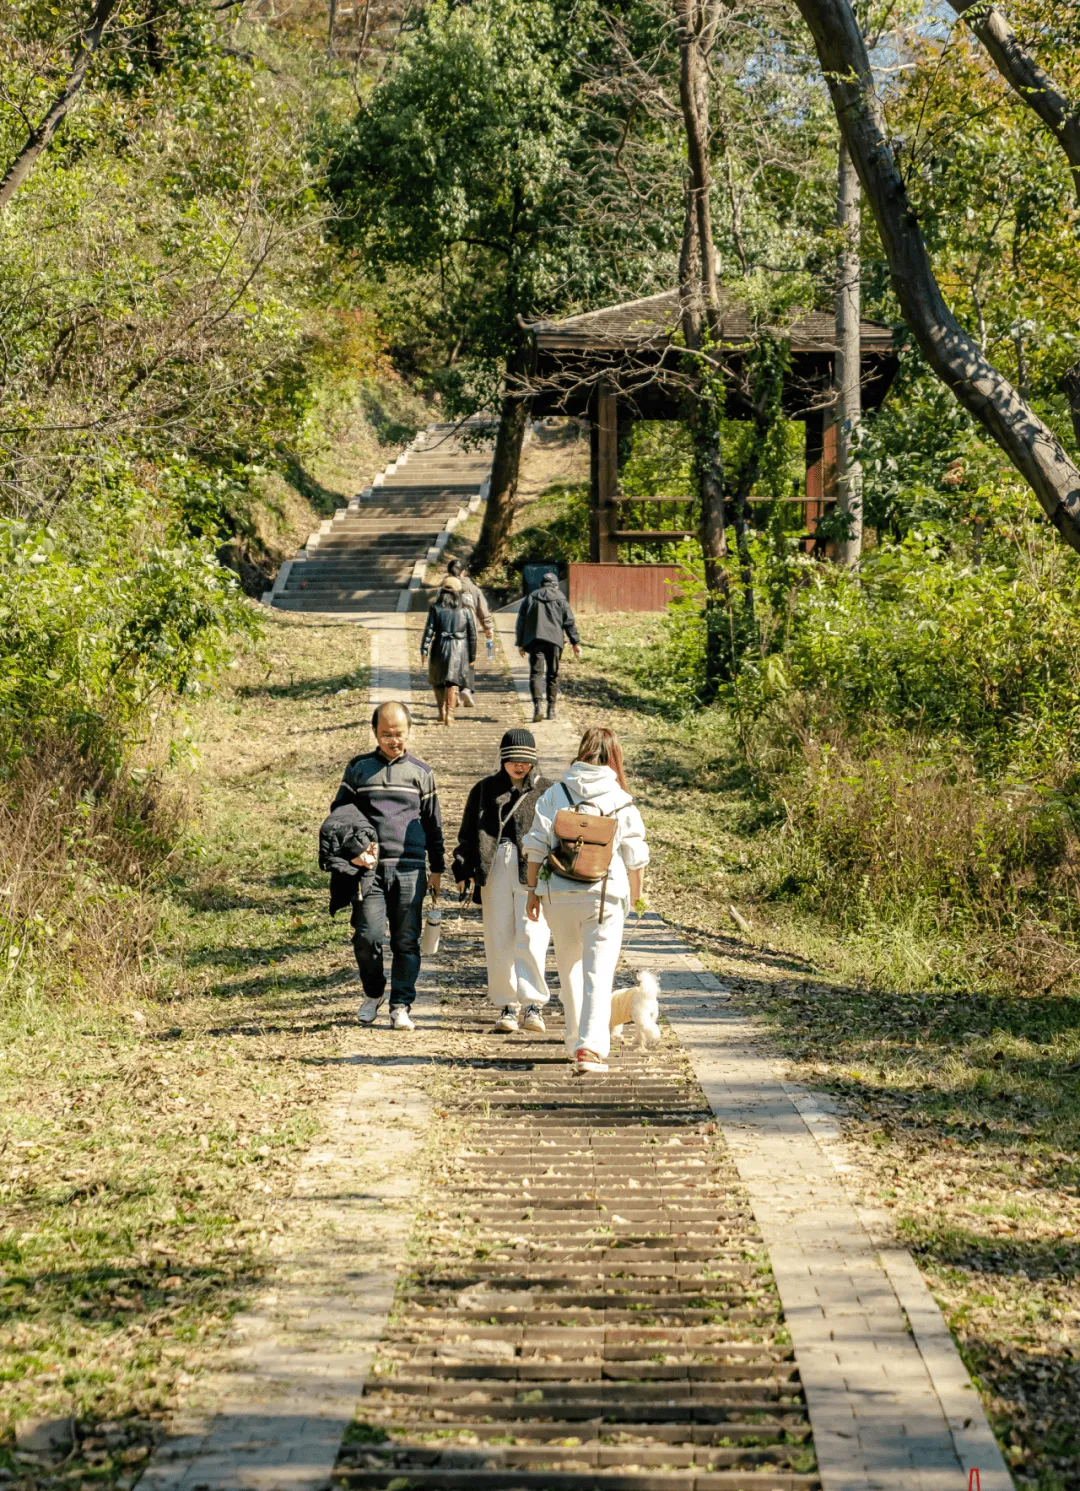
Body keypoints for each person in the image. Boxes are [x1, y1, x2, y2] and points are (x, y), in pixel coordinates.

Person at [523, 726, 648, 1075]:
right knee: (598, 971)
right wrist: (636, 898)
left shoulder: (555, 793)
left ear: (581, 752)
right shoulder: (619, 798)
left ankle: (573, 1039)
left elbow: (535, 845)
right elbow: (635, 855)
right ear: (614, 757)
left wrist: (532, 892)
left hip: (558, 895)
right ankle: (589, 1049)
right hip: (604, 897)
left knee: (570, 969)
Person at [331, 701, 445, 1031]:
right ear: (374, 733)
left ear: (409, 732)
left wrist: (436, 868)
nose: (393, 741)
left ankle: (401, 1005)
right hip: (369, 871)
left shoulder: (421, 774)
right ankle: (373, 993)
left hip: (410, 868)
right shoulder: (358, 769)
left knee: (406, 940)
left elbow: (433, 824)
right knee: (366, 937)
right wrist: (353, 852)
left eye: (399, 734)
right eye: (386, 735)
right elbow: (339, 816)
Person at [453, 729, 554, 1036]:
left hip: (535, 869)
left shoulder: (548, 790)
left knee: (533, 935)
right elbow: (468, 832)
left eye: (524, 760)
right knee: (498, 938)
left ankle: (534, 1004)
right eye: (512, 760)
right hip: (495, 863)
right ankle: (507, 1006)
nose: (518, 766)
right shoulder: (484, 789)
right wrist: (463, 868)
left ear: (533, 761)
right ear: (503, 759)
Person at [515, 570, 581, 724]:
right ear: (555, 585)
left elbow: (521, 621)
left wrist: (521, 643)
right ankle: (551, 709)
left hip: (535, 640)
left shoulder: (531, 597)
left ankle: (537, 706)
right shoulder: (561, 598)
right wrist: (575, 642)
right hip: (554, 641)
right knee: (552, 675)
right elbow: (569, 622)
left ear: (541, 585)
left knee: (536, 674)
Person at [421, 575, 477, 726]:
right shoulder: (465, 610)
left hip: (440, 645)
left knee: (437, 681)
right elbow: (472, 634)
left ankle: (441, 712)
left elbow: (429, 629)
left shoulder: (436, 607)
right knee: (453, 681)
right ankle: (450, 714)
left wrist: (424, 649)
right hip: (459, 648)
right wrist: (472, 655)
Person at [446, 557, 493, 708]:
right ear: (464, 572)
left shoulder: (446, 589)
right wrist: (488, 627)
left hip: (451, 629)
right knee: (469, 660)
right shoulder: (473, 589)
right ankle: (467, 689)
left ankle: (456, 692)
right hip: (470, 629)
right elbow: (482, 609)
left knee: (453, 661)